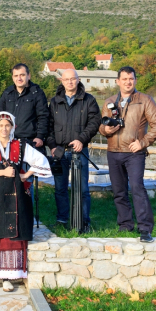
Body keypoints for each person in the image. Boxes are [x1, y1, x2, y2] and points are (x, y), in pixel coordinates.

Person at [0, 112, 52, 292]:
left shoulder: (20, 145)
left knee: (12, 234)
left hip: (15, 193)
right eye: (0, 125)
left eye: (7, 125)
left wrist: (26, 174)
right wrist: (2, 172)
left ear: (12, 127)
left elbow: (41, 160)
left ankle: (9, 276)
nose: (4, 129)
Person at [99, 66, 156, 243]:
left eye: (131, 78)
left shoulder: (145, 100)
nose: (128, 82)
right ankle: (125, 224)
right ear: (118, 81)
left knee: (137, 189)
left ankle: (145, 228)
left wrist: (143, 143)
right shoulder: (109, 101)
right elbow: (101, 126)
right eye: (125, 79)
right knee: (119, 191)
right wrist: (106, 129)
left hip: (134, 153)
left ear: (135, 80)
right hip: (113, 152)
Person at [46, 69, 101, 233]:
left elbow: (94, 123)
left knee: (83, 189)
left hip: (79, 150)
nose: (70, 82)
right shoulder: (55, 101)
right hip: (60, 151)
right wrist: (52, 145)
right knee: (60, 189)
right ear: (61, 81)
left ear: (78, 80)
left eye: (73, 79)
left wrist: (81, 139)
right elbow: (48, 126)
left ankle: (84, 222)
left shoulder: (88, 100)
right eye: (67, 79)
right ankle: (62, 219)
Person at [0, 63, 49, 151]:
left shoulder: (37, 93)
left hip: (31, 142)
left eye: (22, 75)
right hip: (9, 141)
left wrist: (40, 137)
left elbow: (43, 117)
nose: (19, 78)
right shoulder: (7, 93)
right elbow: (0, 116)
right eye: (16, 75)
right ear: (12, 77)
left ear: (29, 76)